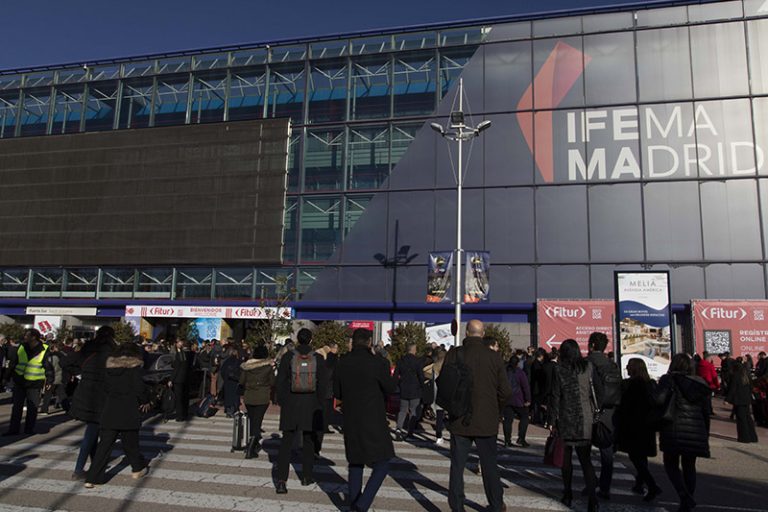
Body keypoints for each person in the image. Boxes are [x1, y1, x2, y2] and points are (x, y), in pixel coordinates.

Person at [444, 319, 512, 512]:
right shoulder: (494, 357)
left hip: (459, 418)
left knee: (457, 466)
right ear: (482, 335)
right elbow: (506, 391)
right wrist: (495, 407)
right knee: (490, 465)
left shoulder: (454, 354)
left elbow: (444, 385)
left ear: (466, 333)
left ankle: (457, 506)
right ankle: (496, 504)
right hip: (486, 419)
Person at [334, 328, 397, 512]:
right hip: (374, 418)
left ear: (353, 342)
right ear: (369, 342)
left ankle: (354, 503)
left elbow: (337, 393)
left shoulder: (343, 362)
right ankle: (361, 504)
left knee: (355, 461)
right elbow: (390, 388)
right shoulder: (378, 363)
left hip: (351, 417)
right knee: (383, 462)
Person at [84, 342, 152, 488]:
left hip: (110, 409)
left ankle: (92, 477)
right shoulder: (134, 369)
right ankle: (137, 469)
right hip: (128, 409)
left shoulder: (109, 369)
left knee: (104, 446)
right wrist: (145, 400)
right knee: (131, 444)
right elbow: (140, 388)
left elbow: (104, 388)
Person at [653, 353, 711, 512]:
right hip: (695, 428)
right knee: (689, 465)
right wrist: (706, 432)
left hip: (673, 426)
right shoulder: (700, 383)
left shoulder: (669, 380)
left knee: (670, 464)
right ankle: (687, 500)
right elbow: (706, 411)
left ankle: (683, 495)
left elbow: (658, 400)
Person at [549, 339, 599, 512]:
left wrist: (552, 420)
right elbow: (595, 393)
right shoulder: (588, 368)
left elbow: (555, 396)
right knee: (586, 461)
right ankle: (593, 499)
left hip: (566, 419)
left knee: (566, 461)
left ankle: (568, 493)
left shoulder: (559, 370)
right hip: (585, 419)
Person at [274, 328, 326, 494]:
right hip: (310, 404)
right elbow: (323, 385)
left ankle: (281, 480)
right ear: (311, 341)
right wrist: (319, 403)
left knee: (286, 442)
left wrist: (282, 401)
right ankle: (306, 476)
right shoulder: (318, 358)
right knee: (309, 441)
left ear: (297, 339)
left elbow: (280, 381)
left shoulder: (288, 357)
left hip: (291, 403)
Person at [67, 326, 116, 479]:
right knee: (93, 431)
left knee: (93, 430)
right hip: (101, 395)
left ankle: (95, 464)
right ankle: (79, 468)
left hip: (84, 393)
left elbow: (66, 362)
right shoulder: (111, 351)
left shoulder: (88, 347)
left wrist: (80, 375)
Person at [616, 358, 662, 501]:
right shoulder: (650, 384)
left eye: (629, 366)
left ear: (634, 368)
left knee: (635, 457)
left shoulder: (631, 385)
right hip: (647, 425)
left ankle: (651, 485)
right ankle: (640, 483)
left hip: (633, 425)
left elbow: (625, 406)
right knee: (641, 457)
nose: (627, 368)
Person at [586, 331, 621, 500]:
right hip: (609, 413)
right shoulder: (612, 365)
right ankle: (605, 487)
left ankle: (590, 482)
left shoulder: (587, 363)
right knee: (606, 454)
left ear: (591, 345)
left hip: (589, 411)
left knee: (583, 451)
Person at [4, 328, 54, 436]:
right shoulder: (21, 347)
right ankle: (13, 429)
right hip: (20, 381)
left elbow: (48, 367)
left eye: (27, 335)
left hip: (34, 383)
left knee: (32, 408)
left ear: (34, 337)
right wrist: (6, 377)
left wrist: (49, 380)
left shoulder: (44, 349)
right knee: (17, 407)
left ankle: (29, 429)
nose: (25, 337)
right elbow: (13, 363)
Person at [239, 344, 276, 458]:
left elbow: (241, 381)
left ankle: (252, 444)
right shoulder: (268, 367)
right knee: (257, 422)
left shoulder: (247, 367)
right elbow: (272, 382)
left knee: (251, 420)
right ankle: (251, 449)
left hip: (249, 396)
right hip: (262, 396)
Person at [393, 343, 424, 441]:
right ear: (414, 350)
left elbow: (396, 375)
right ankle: (410, 432)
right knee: (413, 411)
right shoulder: (418, 361)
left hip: (404, 387)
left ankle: (398, 429)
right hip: (415, 388)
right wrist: (422, 386)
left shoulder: (401, 361)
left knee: (402, 410)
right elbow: (421, 376)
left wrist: (397, 385)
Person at [725, 361, 759, 443]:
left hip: (739, 400)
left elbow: (733, 389)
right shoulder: (746, 375)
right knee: (748, 418)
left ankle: (744, 437)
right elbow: (751, 387)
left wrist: (727, 400)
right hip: (747, 399)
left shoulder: (735, 376)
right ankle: (753, 437)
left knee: (741, 419)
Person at [502, 355, 531, 448]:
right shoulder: (520, 373)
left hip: (506, 399)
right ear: (517, 363)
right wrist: (528, 399)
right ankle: (521, 438)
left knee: (507, 420)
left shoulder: (505, 371)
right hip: (518, 399)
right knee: (524, 417)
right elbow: (525, 387)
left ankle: (507, 440)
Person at [170, 338, 193, 422]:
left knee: (179, 398)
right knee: (185, 397)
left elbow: (176, 368)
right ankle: (185, 414)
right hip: (187, 378)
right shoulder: (192, 354)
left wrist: (171, 379)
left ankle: (179, 416)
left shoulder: (180, 354)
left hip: (179, 378)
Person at [40, 342, 66, 414]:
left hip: (53, 378)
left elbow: (50, 370)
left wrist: (49, 381)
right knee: (62, 394)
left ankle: (44, 409)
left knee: (47, 395)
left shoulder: (51, 357)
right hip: (60, 377)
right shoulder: (63, 356)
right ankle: (68, 409)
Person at [530, 348, 553, 426]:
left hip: (536, 387)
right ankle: (536, 419)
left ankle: (537, 418)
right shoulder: (537, 364)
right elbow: (538, 376)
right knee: (537, 403)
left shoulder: (535, 363)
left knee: (537, 404)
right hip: (537, 388)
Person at [430, 349, 447, 445]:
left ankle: (439, 436)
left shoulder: (434, 366)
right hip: (445, 392)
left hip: (436, 391)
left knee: (439, 416)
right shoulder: (447, 366)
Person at [220, 345, 242, 417]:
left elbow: (222, 371)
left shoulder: (227, 361)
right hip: (235, 381)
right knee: (235, 396)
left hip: (228, 381)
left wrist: (225, 378)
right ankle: (234, 410)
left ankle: (228, 410)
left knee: (228, 396)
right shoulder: (238, 361)